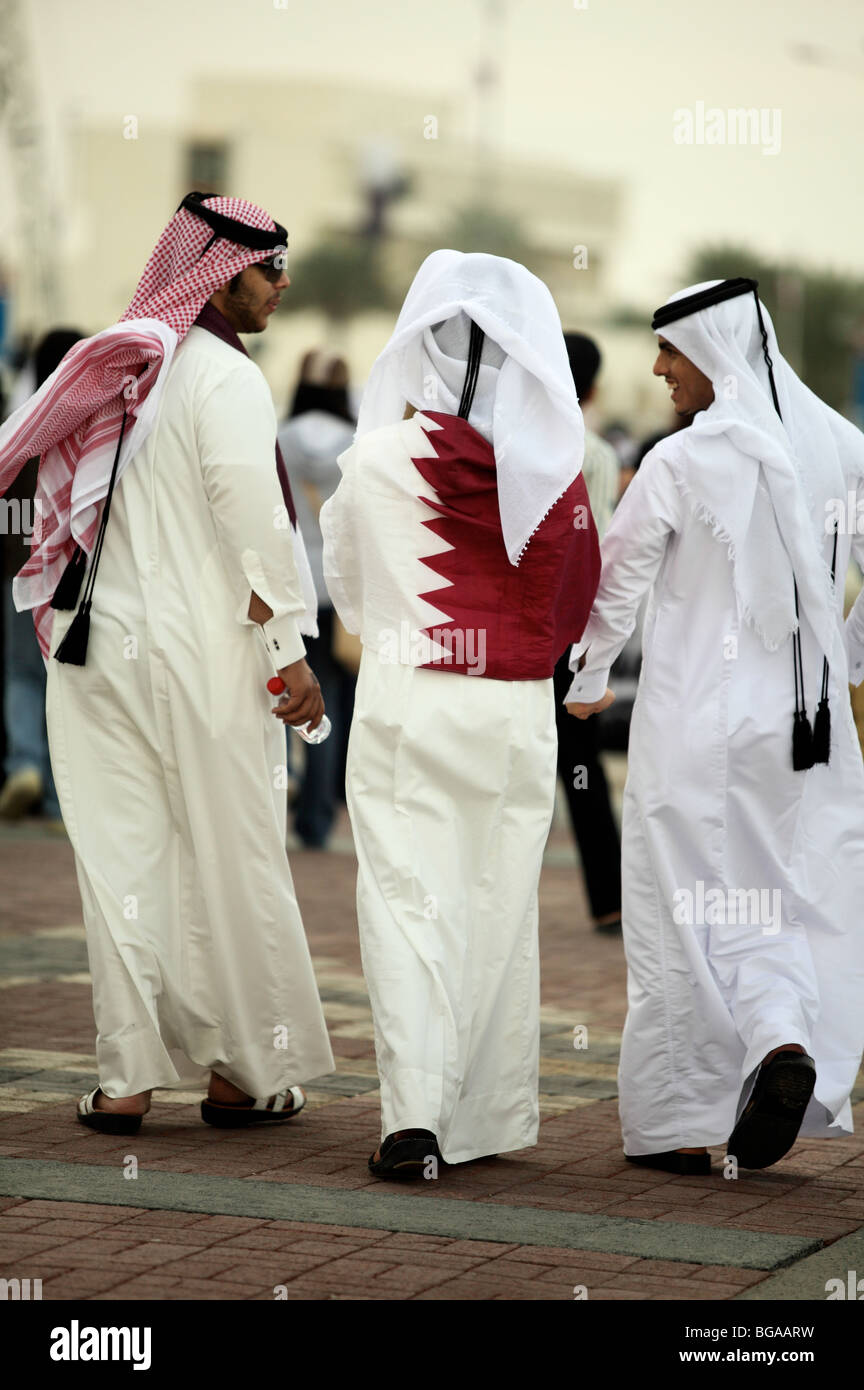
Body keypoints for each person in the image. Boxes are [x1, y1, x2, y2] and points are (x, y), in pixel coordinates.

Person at [0, 192, 334, 1133]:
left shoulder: (120, 369)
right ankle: (240, 1077)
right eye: (270, 271)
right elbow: (256, 533)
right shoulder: (222, 380)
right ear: (221, 276)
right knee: (232, 854)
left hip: (90, 654)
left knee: (119, 861)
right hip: (202, 658)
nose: (281, 287)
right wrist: (289, 653)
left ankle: (125, 1086)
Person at [566, 278, 864, 1173]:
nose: (659, 369)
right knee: (768, 893)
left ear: (718, 350)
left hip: (694, 721)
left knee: (677, 910)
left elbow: (617, 578)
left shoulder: (682, 461)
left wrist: (585, 674)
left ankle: (673, 1120)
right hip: (799, 729)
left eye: (672, 351)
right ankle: (778, 1042)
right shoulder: (844, 448)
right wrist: (847, 659)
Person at [321, 250, 600, 1177]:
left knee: (407, 906)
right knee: (495, 908)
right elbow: (575, 610)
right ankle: (477, 1122)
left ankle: (414, 1119)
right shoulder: (559, 483)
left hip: (409, 702)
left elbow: (350, 601)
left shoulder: (371, 463)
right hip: (519, 712)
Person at [554, 333, 622, 932]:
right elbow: (594, 551)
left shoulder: (508, 443)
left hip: (511, 634)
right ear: (593, 389)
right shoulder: (595, 453)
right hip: (571, 639)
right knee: (583, 768)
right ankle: (610, 901)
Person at [1, 329, 82, 825]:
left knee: (21, 674)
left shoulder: (20, 424)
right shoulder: (88, 421)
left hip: (16, 572)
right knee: (65, 680)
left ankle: (25, 762)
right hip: (72, 577)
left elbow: (6, 506)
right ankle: (58, 799)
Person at [277, 351, 357, 848]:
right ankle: (318, 818)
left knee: (283, 693)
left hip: (286, 584)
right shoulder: (356, 443)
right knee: (330, 700)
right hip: (338, 585)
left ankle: (277, 798)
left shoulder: (279, 437)